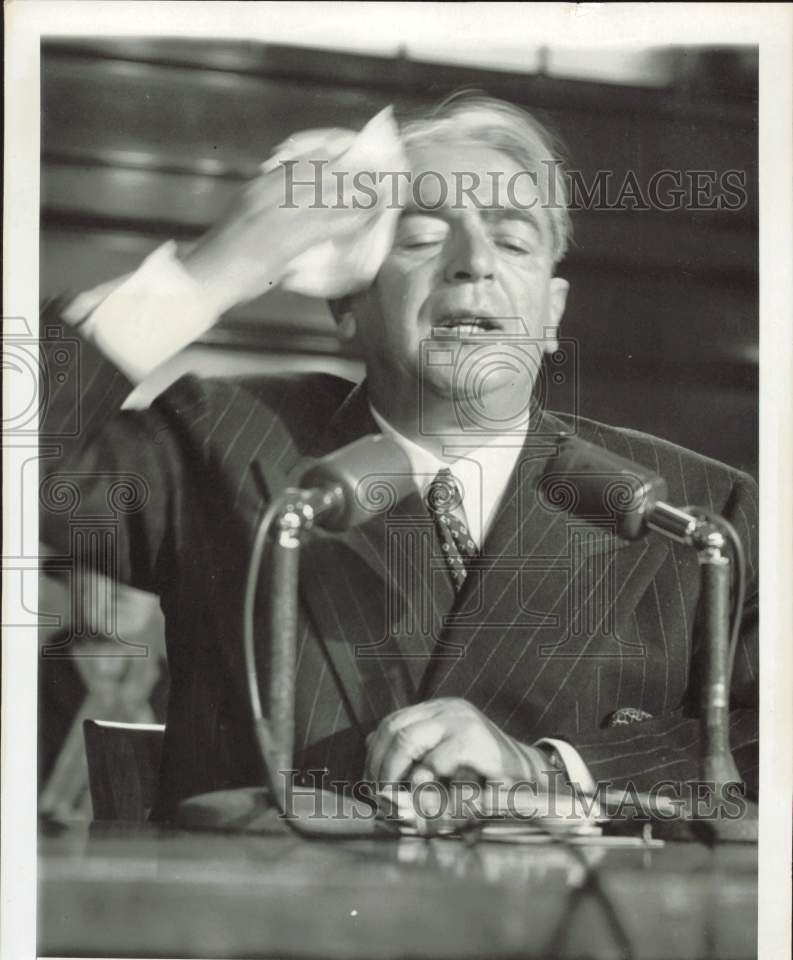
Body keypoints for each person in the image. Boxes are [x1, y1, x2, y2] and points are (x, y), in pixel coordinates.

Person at [40, 95, 758, 821]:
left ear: (551, 314)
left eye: (512, 243)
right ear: (346, 304)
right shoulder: (220, 443)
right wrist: (215, 268)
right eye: (419, 238)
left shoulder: (697, 514)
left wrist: (548, 771)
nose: (473, 263)